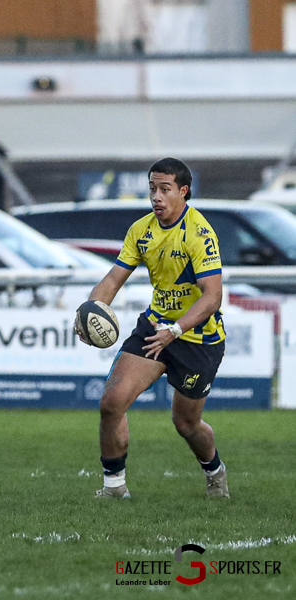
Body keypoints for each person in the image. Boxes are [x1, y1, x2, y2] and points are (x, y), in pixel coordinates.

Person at [78, 157, 229, 499]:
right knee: (111, 402)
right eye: (152, 189)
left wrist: (175, 330)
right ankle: (114, 487)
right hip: (155, 326)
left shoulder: (199, 233)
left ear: (183, 192)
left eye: (165, 190)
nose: (156, 197)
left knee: (186, 423)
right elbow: (114, 278)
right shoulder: (141, 230)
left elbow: (212, 297)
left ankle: (215, 471)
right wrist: (89, 311)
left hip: (197, 338)